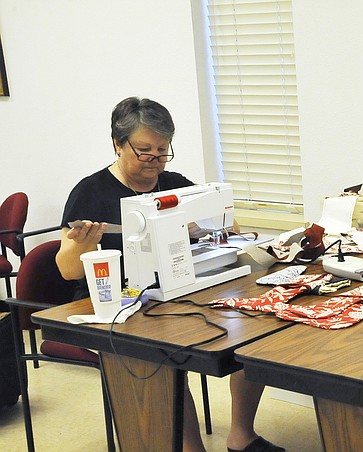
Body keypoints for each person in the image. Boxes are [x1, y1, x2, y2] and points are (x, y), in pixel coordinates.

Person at [55, 97, 284, 452]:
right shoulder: (91, 193)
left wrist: (202, 228)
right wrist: (83, 245)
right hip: (116, 303)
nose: (155, 161)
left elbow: (229, 224)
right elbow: (68, 270)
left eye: (163, 150)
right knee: (165, 358)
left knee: (250, 332)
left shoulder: (174, 183)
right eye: (145, 151)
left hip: (175, 291)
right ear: (117, 144)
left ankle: (242, 435)